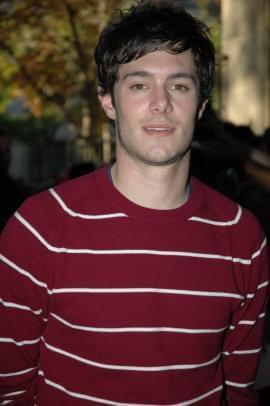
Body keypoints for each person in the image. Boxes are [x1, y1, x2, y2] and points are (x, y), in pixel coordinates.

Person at [0, 1, 269, 405]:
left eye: (179, 85)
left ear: (201, 104)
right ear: (108, 101)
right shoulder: (39, 229)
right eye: (139, 85)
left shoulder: (243, 237)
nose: (160, 103)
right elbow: (10, 389)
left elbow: (239, 392)